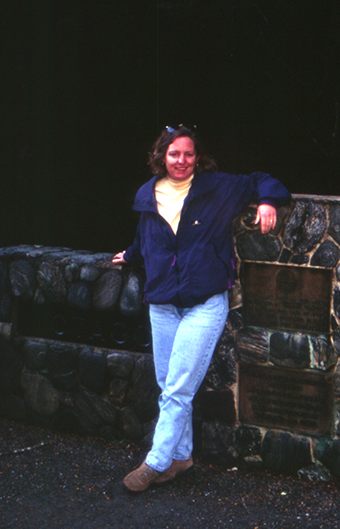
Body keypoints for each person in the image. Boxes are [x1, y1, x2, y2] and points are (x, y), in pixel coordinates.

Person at [113, 125, 290, 492]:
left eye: (188, 154)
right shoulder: (148, 195)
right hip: (162, 303)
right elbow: (147, 238)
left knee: (177, 388)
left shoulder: (217, 187)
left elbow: (263, 179)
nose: (181, 161)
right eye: (174, 154)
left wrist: (268, 200)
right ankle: (182, 458)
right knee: (169, 385)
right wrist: (130, 255)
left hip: (205, 303)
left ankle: (155, 462)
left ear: (198, 157)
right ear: (161, 156)